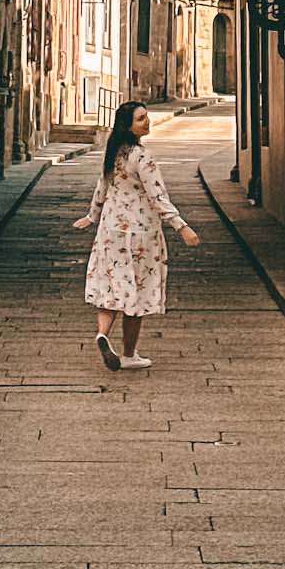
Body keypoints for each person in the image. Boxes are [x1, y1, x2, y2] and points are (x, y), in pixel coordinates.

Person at [73, 101, 199, 371]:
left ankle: (102, 334)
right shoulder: (142, 156)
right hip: (140, 233)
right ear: (128, 126)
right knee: (137, 292)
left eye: (146, 116)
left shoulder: (113, 153)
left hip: (111, 232)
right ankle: (129, 354)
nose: (147, 121)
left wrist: (92, 216)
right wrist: (181, 226)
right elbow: (157, 196)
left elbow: (101, 187)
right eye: (141, 119)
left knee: (111, 286)